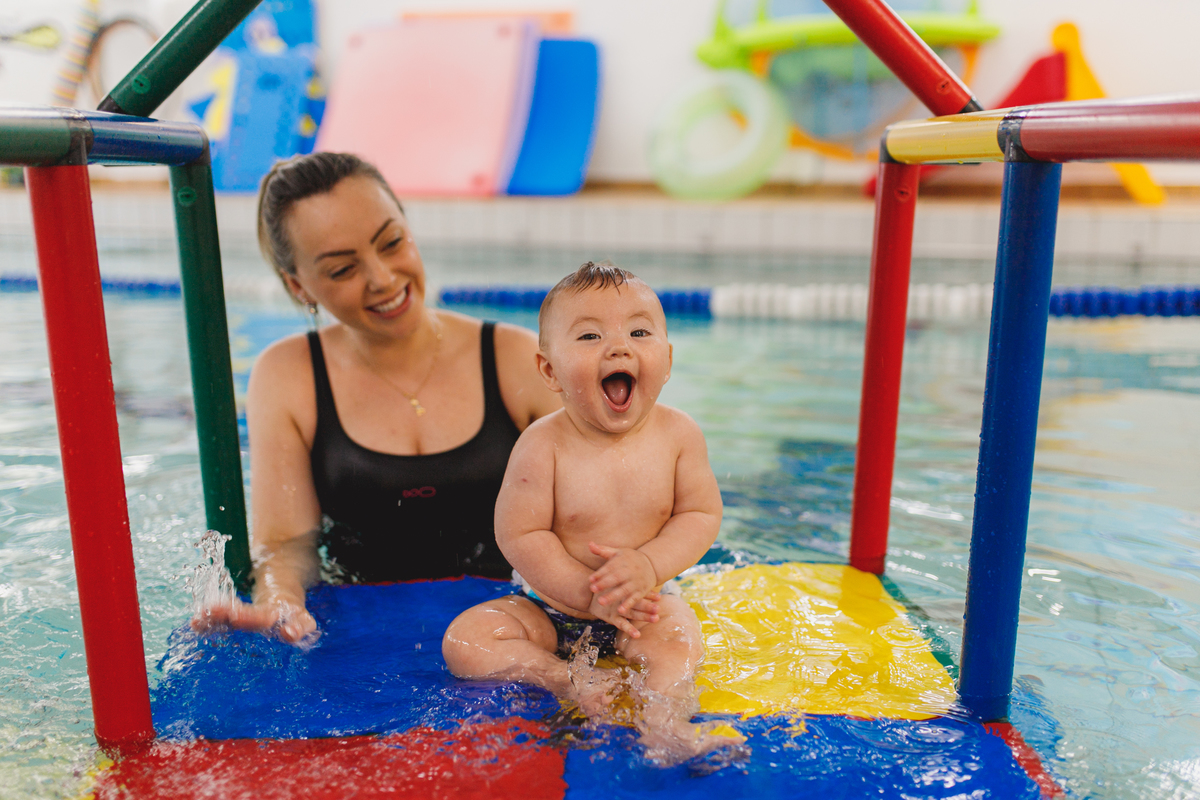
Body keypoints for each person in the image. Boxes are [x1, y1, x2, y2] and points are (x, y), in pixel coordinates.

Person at [193, 152, 560, 642]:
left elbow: (596, 512)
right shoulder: (290, 376)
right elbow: (285, 544)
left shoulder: (516, 360)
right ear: (299, 287)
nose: (383, 278)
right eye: (343, 269)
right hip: (366, 634)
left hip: (518, 632)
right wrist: (281, 602)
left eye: (392, 242)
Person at [441, 262, 738, 762]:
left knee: (679, 642)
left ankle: (664, 723)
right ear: (549, 371)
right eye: (590, 335)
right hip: (548, 608)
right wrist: (583, 593)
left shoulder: (679, 436)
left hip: (643, 608)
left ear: (666, 361)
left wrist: (648, 566)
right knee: (465, 642)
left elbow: (701, 515)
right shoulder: (542, 445)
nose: (619, 347)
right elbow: (519, 533)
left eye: (639, 331)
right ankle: (566, 677)